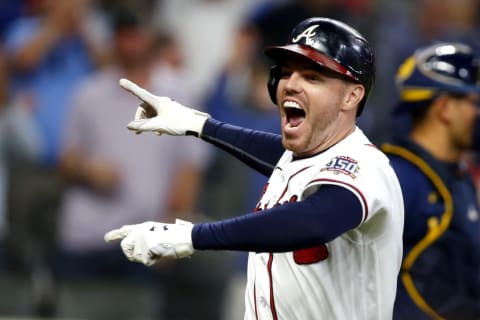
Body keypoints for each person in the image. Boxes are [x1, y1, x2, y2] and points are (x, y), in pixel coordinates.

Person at [105, 17, 404, 319]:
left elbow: (313, 222)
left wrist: (192, 237)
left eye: (312, 77)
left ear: (352, 95)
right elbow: (276, 154)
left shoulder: (366, 165)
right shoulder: (307, 157)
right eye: (286, 73)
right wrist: (198, 125)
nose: (291, 85)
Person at [55, 8, 209, 320]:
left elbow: (189, 169)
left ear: (150, 36)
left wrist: (174, 231)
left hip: (145, 239)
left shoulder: (178, 94)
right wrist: (87, 169)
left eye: (135, 33)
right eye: (123, 35)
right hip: (86, 236)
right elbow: (66, 161)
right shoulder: (89, 93)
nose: (130, 42)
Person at [382, 42, 480, 319]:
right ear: (445, 108)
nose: (478, 115)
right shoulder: (398, 178)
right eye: (475, 103)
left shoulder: (457, 176)